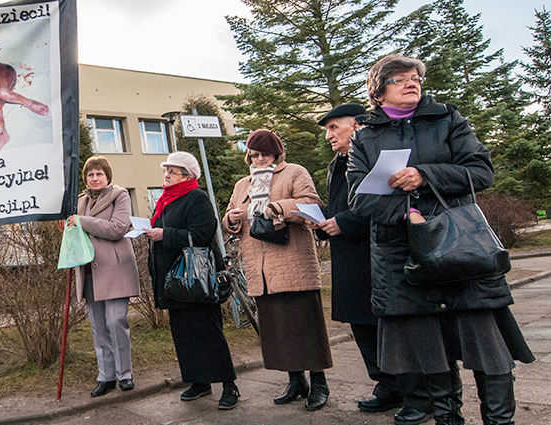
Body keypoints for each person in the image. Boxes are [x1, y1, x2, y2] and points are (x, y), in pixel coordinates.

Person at [348, 54, 535, 425]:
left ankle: (500, 421)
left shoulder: (448, 119)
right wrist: (407, 214)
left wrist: (424, 175)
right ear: (378, 91)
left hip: (461, 249)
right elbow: (359, 197)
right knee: (430, 355)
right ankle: (448, 420)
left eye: (415, 77)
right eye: (400, 78)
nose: (411, 82)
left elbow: (480, 171)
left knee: (487, 349)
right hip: (404, 258)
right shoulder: (364, 137)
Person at [316, 104, 432, 424]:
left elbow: (382, 202)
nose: (328, 136)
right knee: (362, 326)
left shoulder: (376, 156)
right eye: (327, 130)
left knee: (390, 327)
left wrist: (343, 222)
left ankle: (418, 394)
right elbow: (342, 206)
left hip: (378, 254)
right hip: (348, 259)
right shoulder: (337, 164)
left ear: (356, 126)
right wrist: (322, 222)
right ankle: (386, 385)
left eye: (333, 128)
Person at [223, 129, 333, 411]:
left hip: (293, 263)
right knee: (279, 331)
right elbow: (231, 216)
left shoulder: (294, 172)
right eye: (254, 154)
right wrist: (231, 219)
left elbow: (312, 204)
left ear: (277, 154)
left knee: (305, 325)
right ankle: (296, 381)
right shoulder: (243, 184)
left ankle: (319, 382)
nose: (259, 159)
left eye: (266, 154)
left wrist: (280, 207)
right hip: (260, 269)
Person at [143, 151, 240, 410]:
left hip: (196, 279)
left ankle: (229, 385)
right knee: (184, 335)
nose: (166, 175)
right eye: (167, 170)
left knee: (208, 333)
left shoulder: (197, 198)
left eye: (172, 171)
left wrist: (165, 235)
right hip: (173, 281)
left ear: (188, 176)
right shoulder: (166, 199)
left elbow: (202, 234)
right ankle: (199, 381)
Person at [67, 156, 141, 397]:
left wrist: (81, 221)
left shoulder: (119, 195)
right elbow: (74, 231)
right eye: (90, 174)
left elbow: (117, 228)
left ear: (108, 176)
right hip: (89, 270)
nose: (95, 178)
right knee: (98, 327)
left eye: (99, 173)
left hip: (115, 269)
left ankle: (125, 374)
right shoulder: (80, 201)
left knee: (116, 322)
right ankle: (106, 376)